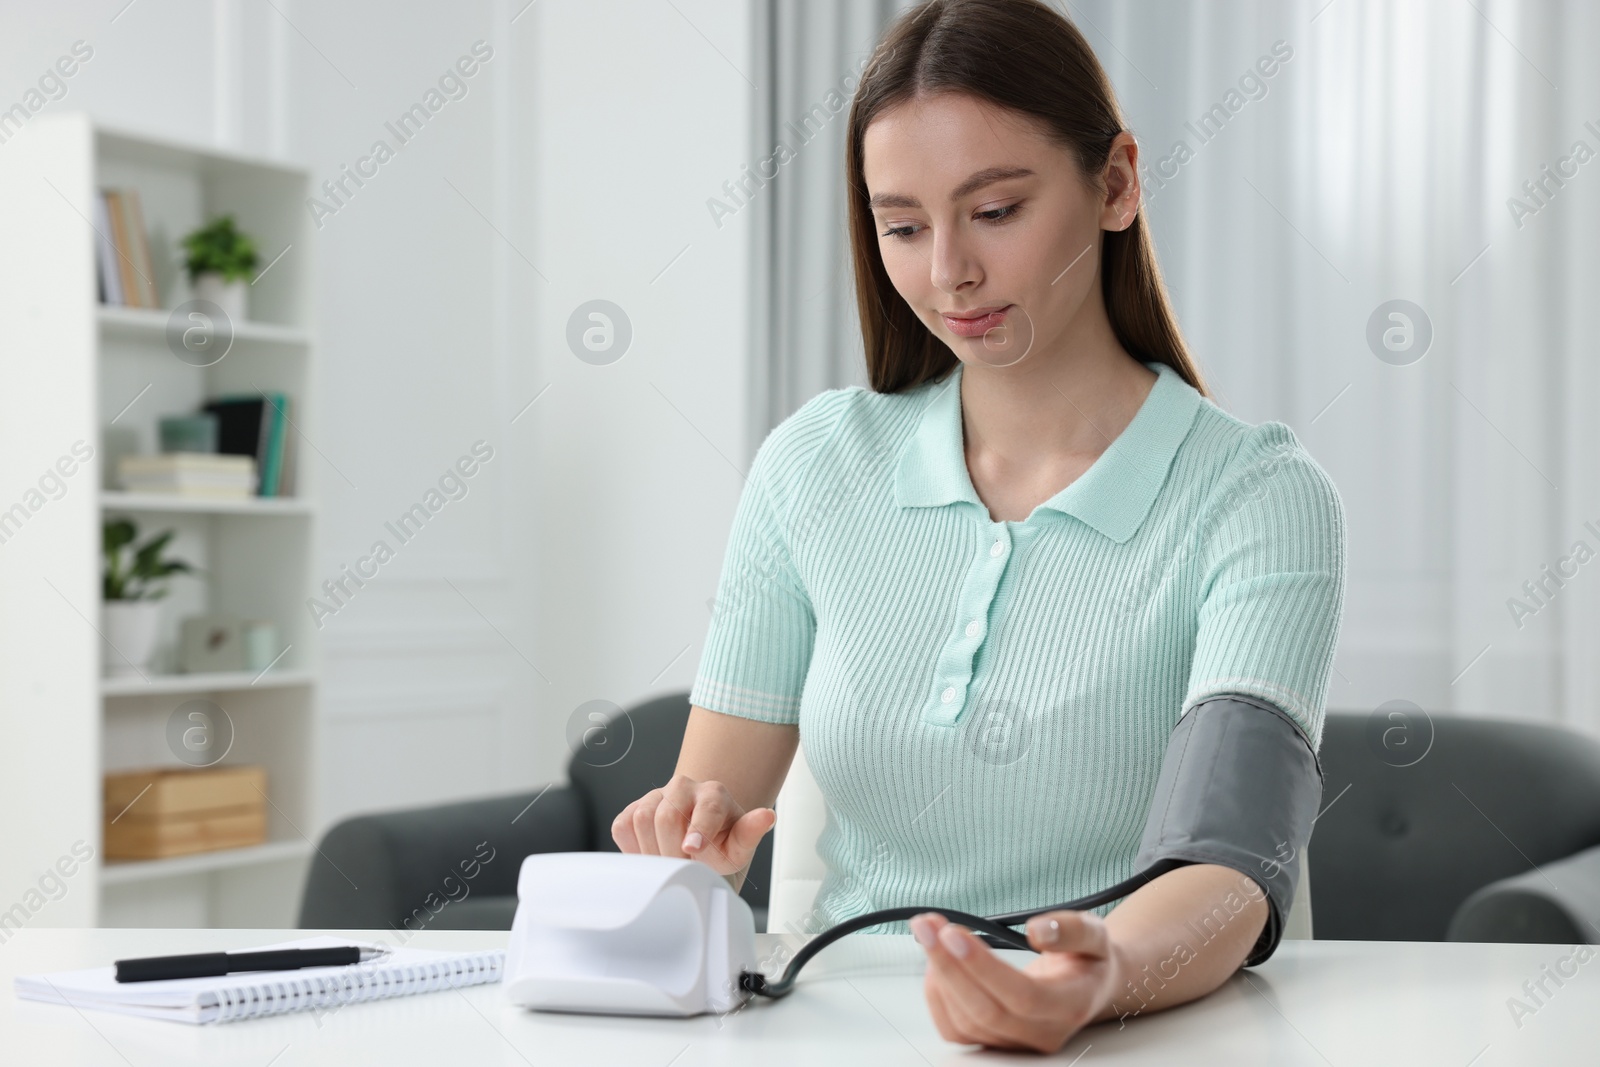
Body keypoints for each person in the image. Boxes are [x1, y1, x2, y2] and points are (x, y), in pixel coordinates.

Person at [614, 0, 1346, 1053]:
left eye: (994, 210)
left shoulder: (1256, 495)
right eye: (902, 226)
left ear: (1116, 184)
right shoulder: (812, 466)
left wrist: (1091, 979)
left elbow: (1228, 860)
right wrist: (685, 853)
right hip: (843, 1032)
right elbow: (707, 811)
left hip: (1130, 1030)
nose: (945, 270)